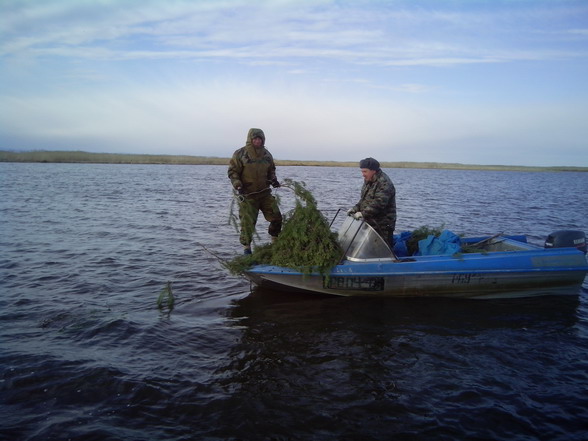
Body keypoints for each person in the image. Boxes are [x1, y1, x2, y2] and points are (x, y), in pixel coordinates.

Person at [228, 128, 282, 254]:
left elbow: (271, 171)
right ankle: (247, 249)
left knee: (276, 217)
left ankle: (274, 243)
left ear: (263, 140)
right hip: (248, 195)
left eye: (260, 139)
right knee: (248, 223)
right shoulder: (240, 153)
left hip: (265, 194)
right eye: (255, 139)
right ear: (250, 140)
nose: (257, 141)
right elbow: (233, 172)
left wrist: (273, 180)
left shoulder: (267, 155)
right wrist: (238, 185)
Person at [348, 157, 396, 245]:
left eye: (365, 171)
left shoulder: (384, 182)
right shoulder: (368, 180)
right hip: (369, 223)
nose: (363, 174)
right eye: (362, 171)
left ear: (373, 171)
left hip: (382, 226)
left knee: (382, 250)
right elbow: (364, 199)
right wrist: (355, 209)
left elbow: (379, 203)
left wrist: (362, 214)